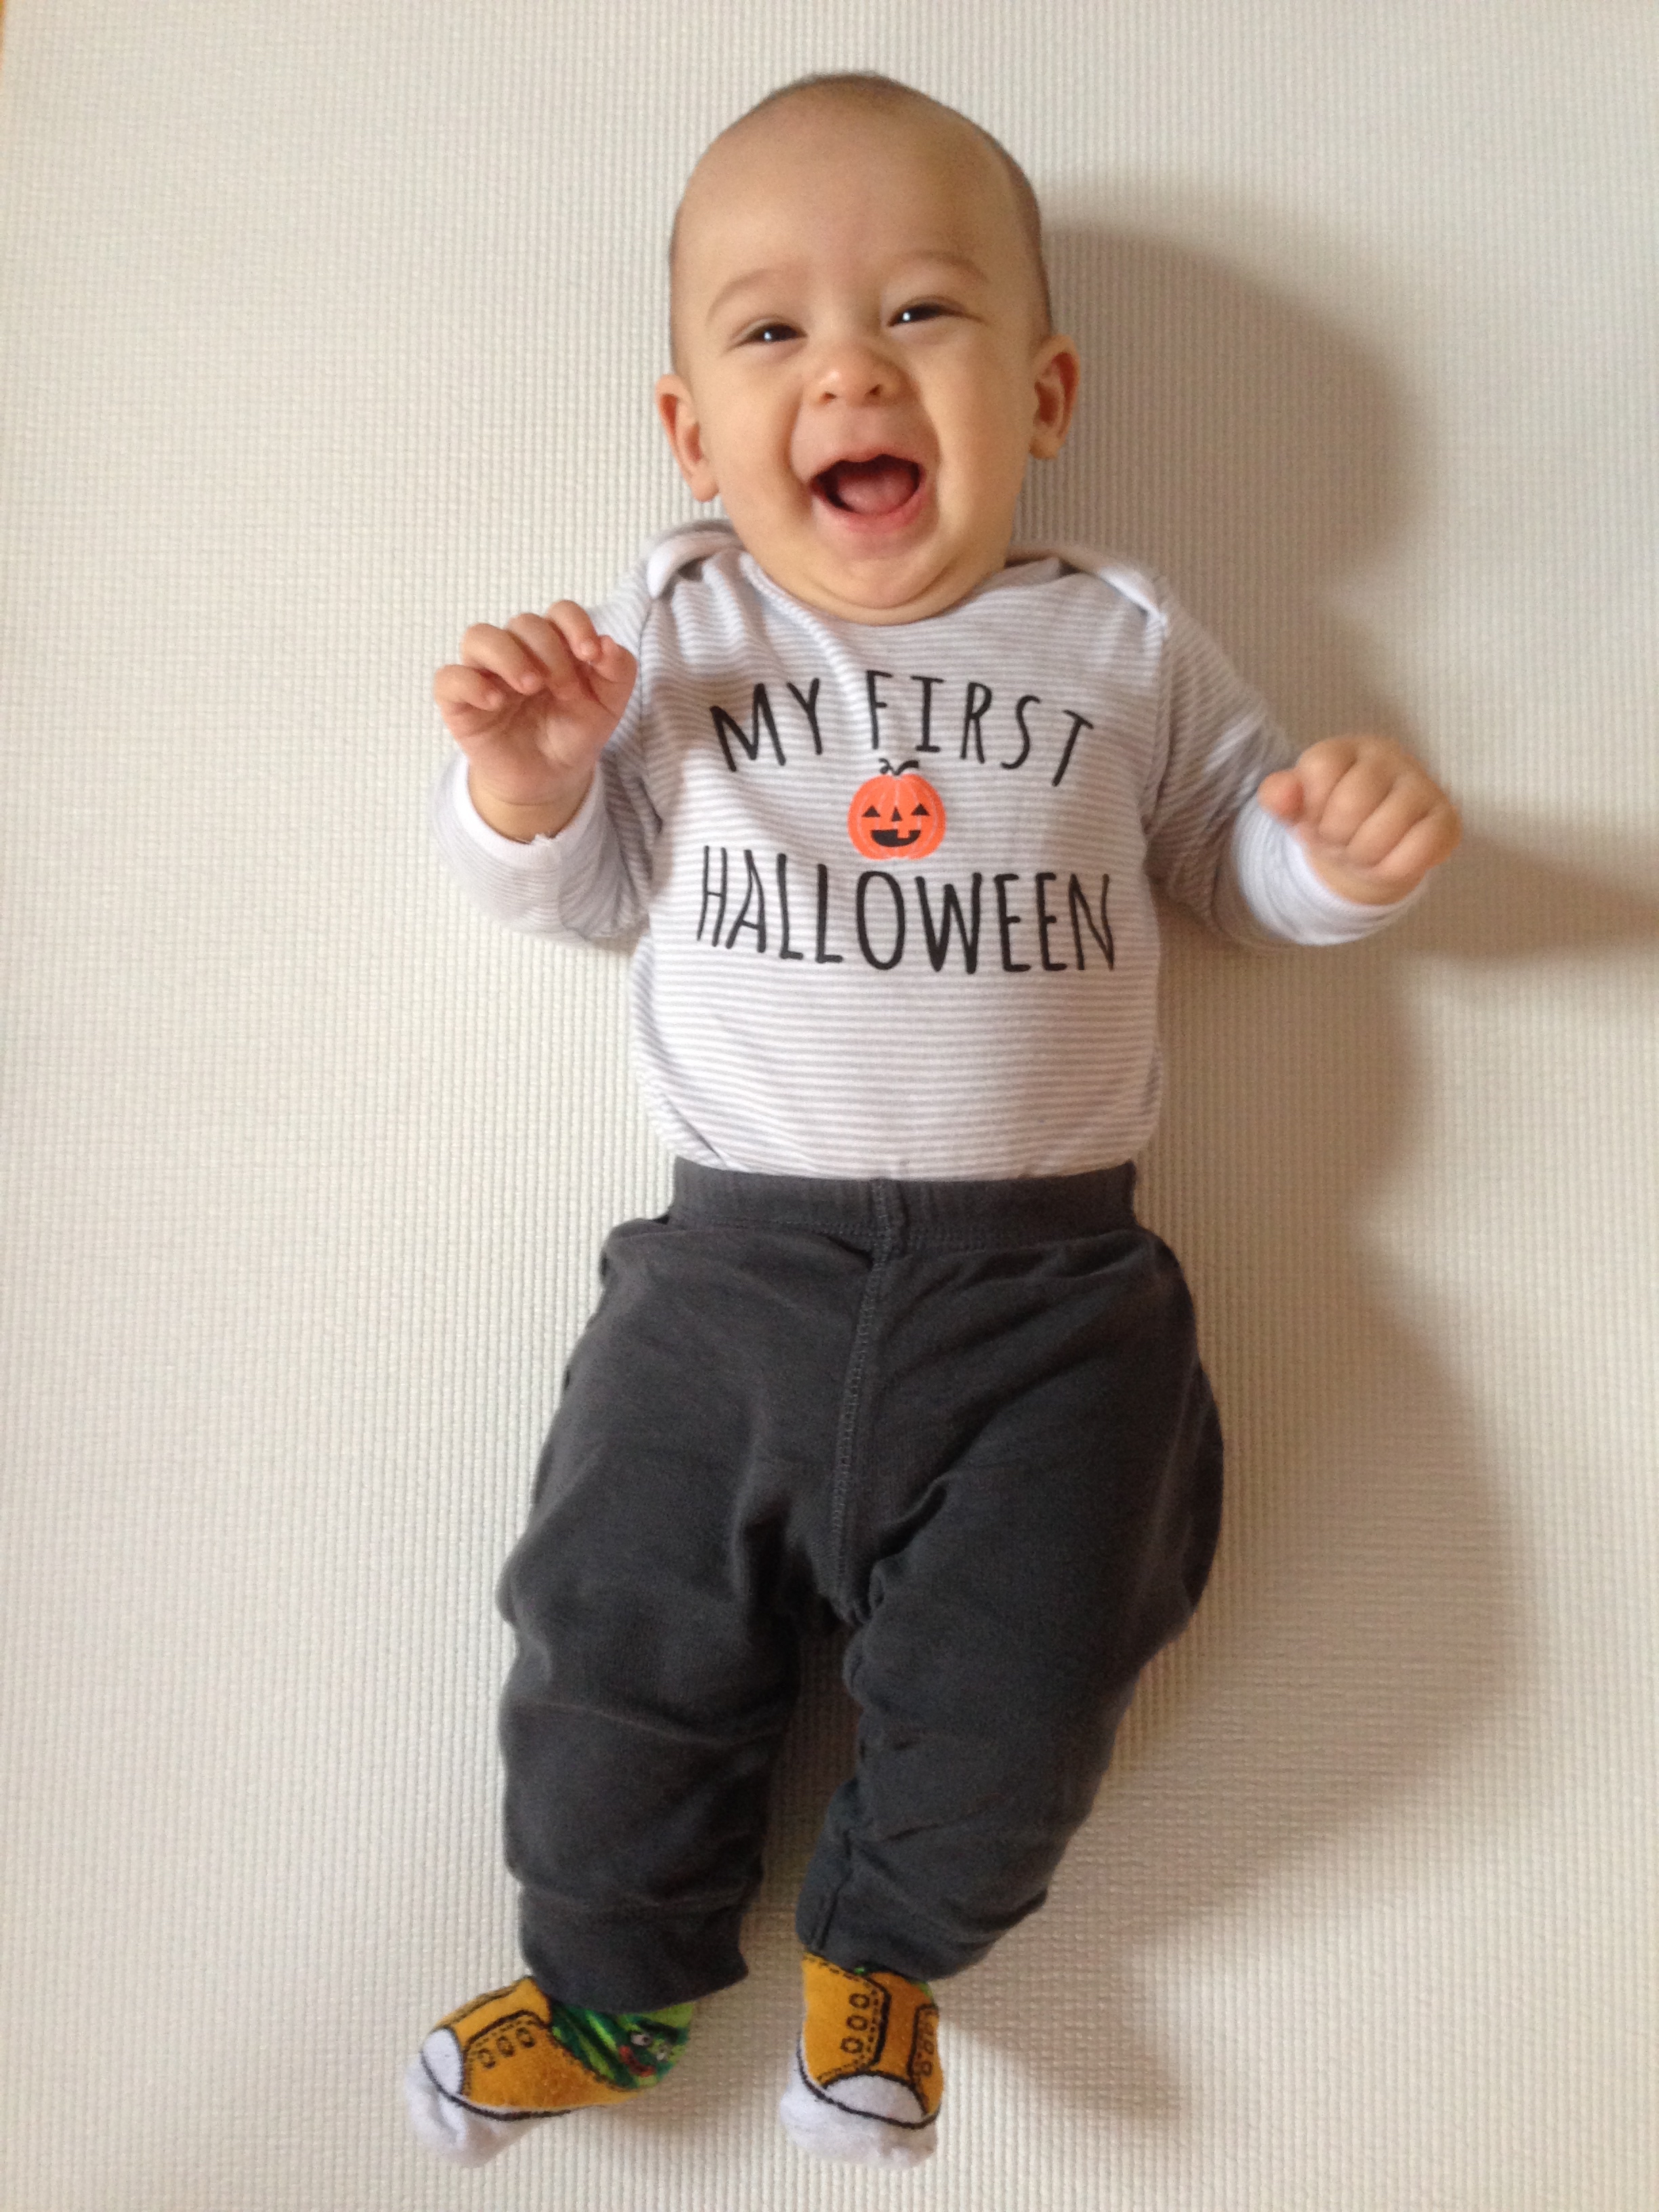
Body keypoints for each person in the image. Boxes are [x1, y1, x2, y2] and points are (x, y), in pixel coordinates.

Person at [403, 73, 1461, 2171]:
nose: (852, 371)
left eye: (922, 313)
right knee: (609, 1629)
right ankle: (608, 1986)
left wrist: (1333, 861)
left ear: (1043, 393)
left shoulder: (1124, 640)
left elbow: (1230, 871)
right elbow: (579, 895)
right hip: (731, 1279)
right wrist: (526, 784)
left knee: (1039, 1661)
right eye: (771, 329)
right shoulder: (674, 635)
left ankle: (885, 1956)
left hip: (1050, 1300)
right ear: (693, 432)